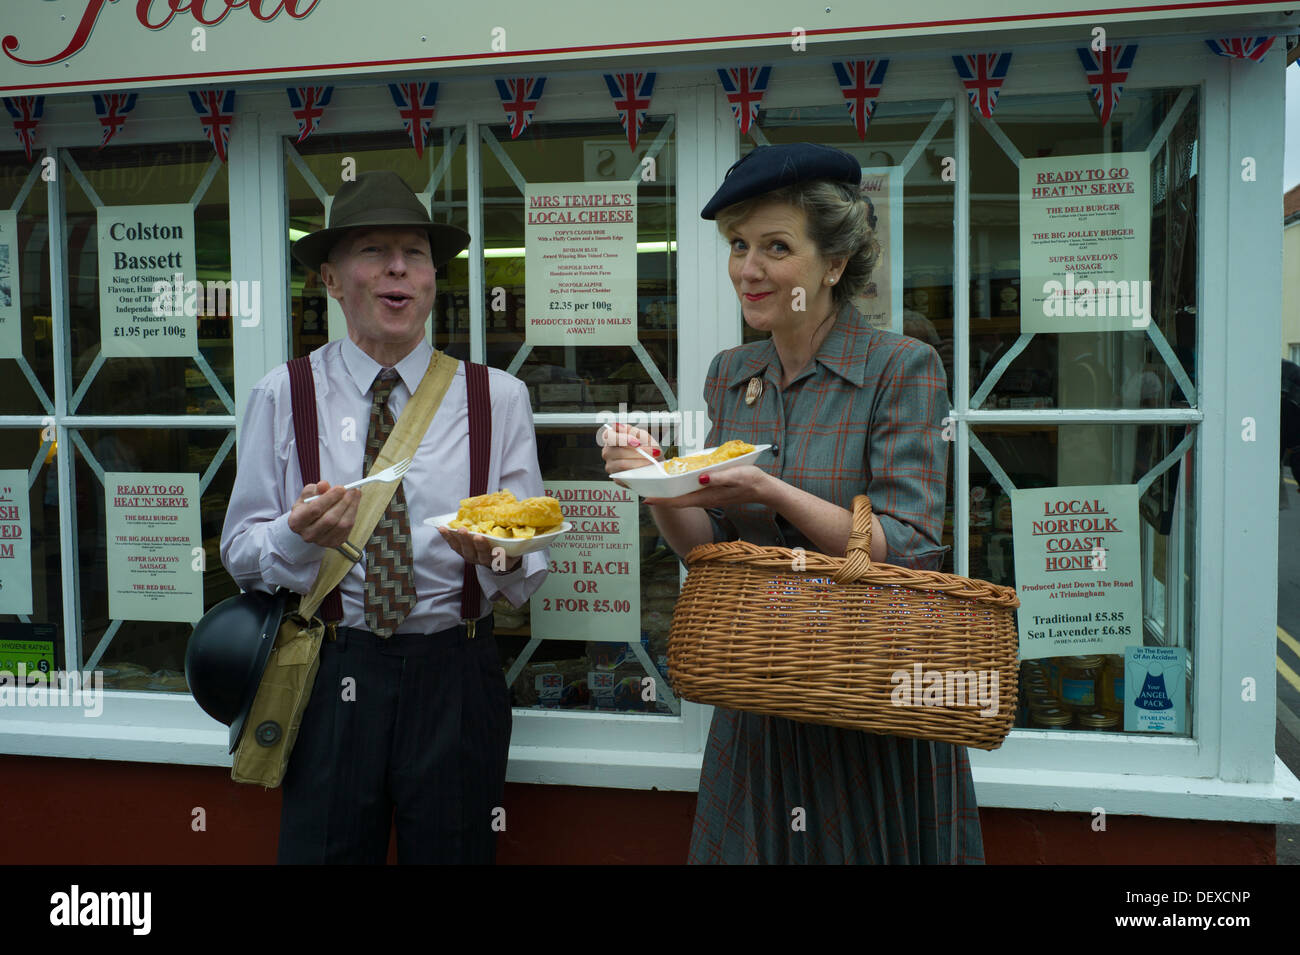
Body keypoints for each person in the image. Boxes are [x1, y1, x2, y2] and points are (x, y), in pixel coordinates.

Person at [601, 143, 981, 864]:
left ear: (833, 263)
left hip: (867, 706)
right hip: (761, 699)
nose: (749, 268)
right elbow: (704, 548)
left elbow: (904, 543)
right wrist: (652, 484)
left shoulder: (900, 368)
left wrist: (769, 489)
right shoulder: (731, 373)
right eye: (739, 245)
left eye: (776, 246)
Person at [220, 170, 548, 864]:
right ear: (332, 280)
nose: (398, 267)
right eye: (373, 250)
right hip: (332, 667)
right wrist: (292, 536)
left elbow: (528, 566)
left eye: (415, 252)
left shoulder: (499, 398)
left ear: (433, 278)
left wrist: (495, 553)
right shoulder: (283, 394)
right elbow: (240, 551)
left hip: (457, 672)